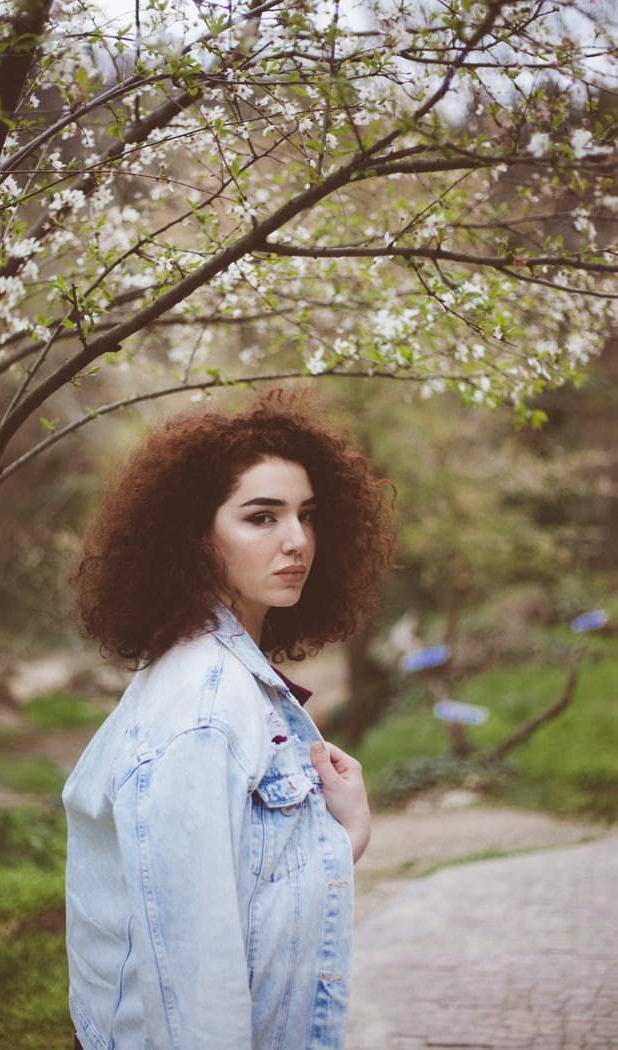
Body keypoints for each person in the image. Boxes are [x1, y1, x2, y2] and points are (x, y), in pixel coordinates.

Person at [63, 389, 394, 1050]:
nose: (297, 541)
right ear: (194, 535)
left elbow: (249, 901)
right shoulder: (204, 709)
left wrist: (344, 834)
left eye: (306, 515)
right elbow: (196, 978)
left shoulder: (226, 676)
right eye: (261, 517)